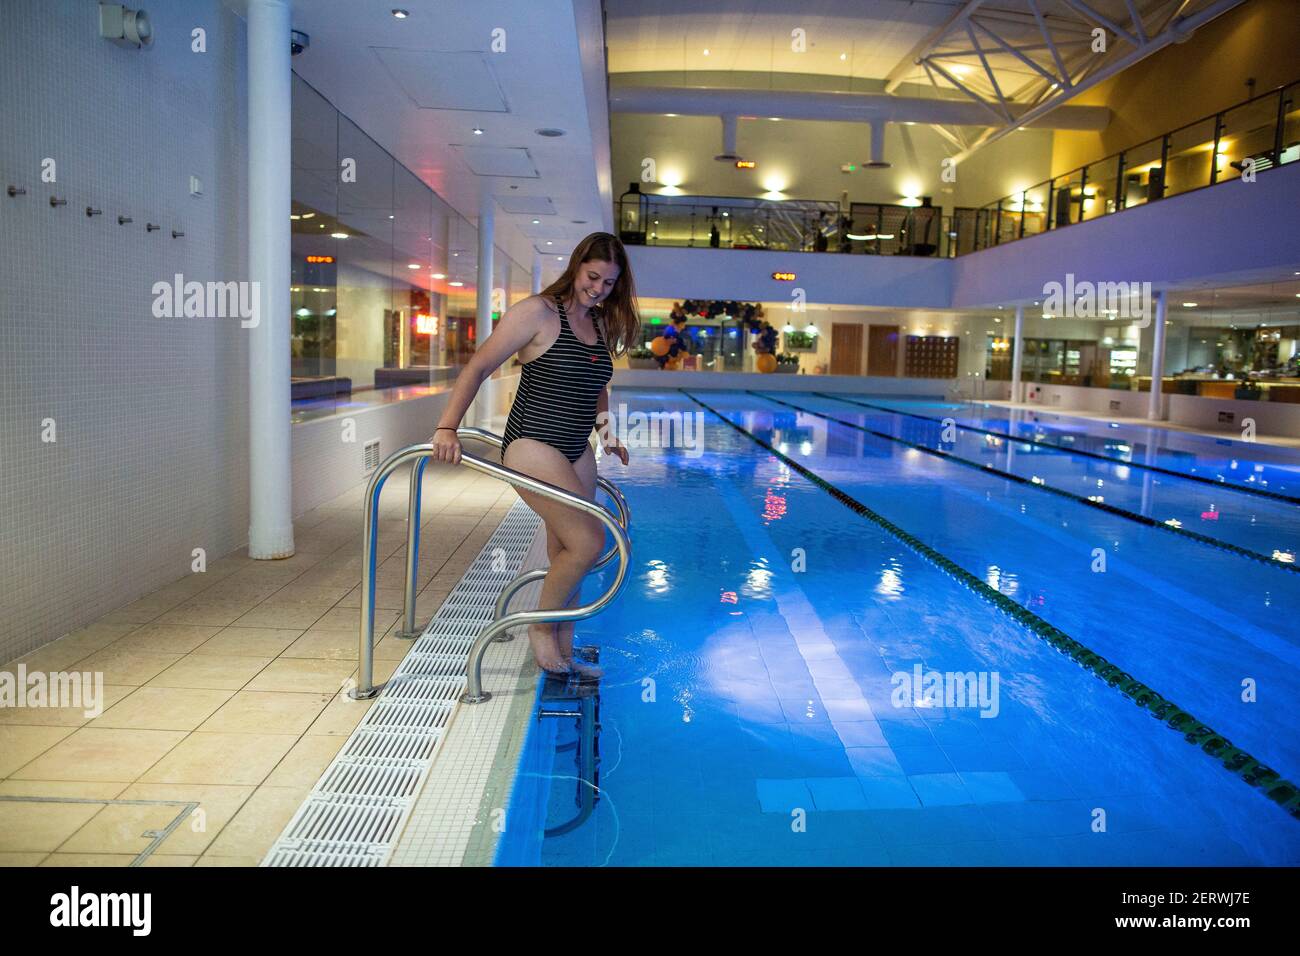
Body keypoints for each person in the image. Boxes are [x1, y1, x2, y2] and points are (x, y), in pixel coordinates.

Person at [430, 233, 640, 676]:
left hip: (574, 448)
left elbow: (597, 383)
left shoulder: (599, 323)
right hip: (532, 443)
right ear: (577, 265)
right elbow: (479, 366)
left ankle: (565, 646)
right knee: (589, 542)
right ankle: (540, 629)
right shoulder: (537, 313)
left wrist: (607, 435)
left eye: (609, 282)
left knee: (569, 550)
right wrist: (447, 426)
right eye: (593, 276)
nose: (598, 288)